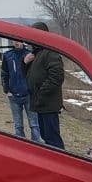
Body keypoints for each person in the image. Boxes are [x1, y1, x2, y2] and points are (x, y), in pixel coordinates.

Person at [24, 21, 65, 149]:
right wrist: (24, 63)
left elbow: (57, 77)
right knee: (45, 136)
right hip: (39, 104)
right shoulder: (36, 53)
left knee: (52, 138)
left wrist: (41, 93)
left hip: (48, 104)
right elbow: (29, 75)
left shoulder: (50, 52)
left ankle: (60, 163)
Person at [0, 41, 42, 142]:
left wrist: (35, 90)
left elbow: (36, 74)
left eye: (18, 41)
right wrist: (6, 89)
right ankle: (21, 148)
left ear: (22, 42)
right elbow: (4, 74)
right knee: (18, 126)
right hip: (14, 95)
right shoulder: (7, 56)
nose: (16, 43)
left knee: (34, 125)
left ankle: (37, 147)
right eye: (14, 41)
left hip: (28, 95)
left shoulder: (29, 55)